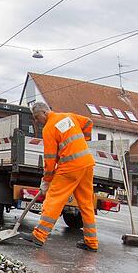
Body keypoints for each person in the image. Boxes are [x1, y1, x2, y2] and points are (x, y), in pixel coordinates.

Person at [21, 102, 99, 252]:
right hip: (87, 164)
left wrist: (46, 181)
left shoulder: (49, 128)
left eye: (37, 118)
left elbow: (50, 160)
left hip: (70, 167)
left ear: (44, 113)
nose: (37, 121)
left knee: (53, 200)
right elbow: (89, 122)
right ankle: (91, 242)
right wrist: (84, 141)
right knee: (86, 204)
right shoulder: (68, 116)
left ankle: (39, 235)